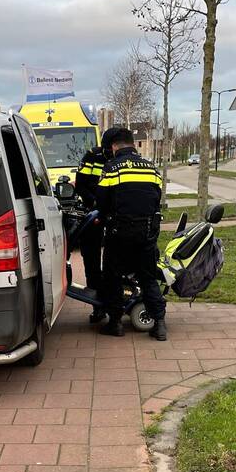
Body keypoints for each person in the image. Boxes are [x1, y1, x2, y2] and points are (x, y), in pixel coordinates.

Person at [94, 128, 167, 341]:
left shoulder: (111, 168)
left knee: (112, 276)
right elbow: (157, 199)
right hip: (146, 233)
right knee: (148, 277)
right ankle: (160, 325)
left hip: (119, 233)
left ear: (114, 146)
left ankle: (115, 323)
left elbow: (102, 203)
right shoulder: (151, 168)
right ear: (132, 144)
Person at [74, 129, 116, 323]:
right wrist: (94, 204)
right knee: (91, 263)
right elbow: (81, 184)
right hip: (93, 215)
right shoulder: (92, 156)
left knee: (113, 262)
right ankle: (98, 307)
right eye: (108, 148)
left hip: (116, 216)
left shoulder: (123, 159)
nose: (111, 152)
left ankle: (115, 303)